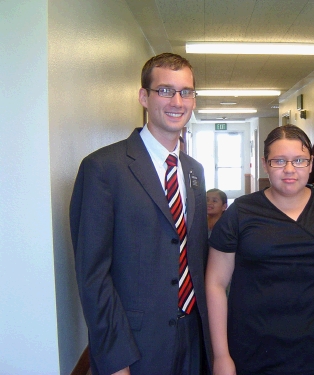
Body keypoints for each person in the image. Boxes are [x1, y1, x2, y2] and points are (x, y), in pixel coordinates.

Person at [70, 53, 212, 375]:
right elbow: (93, 276)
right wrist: (115, 358)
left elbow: (195, 251)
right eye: (165, 90)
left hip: (193, 338)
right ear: (143, 97)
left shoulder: (194, 171)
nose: (177, 101)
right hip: (135, 345)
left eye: (186, 92)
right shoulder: (103, 168)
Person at [206, 124, 314, 375]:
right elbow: (216, 283)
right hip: (254, 350)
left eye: (299, 160)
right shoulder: (241, 212)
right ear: (265, 164)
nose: (290, 170)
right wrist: (221, 356)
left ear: (311, 163)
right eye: (279, 161)